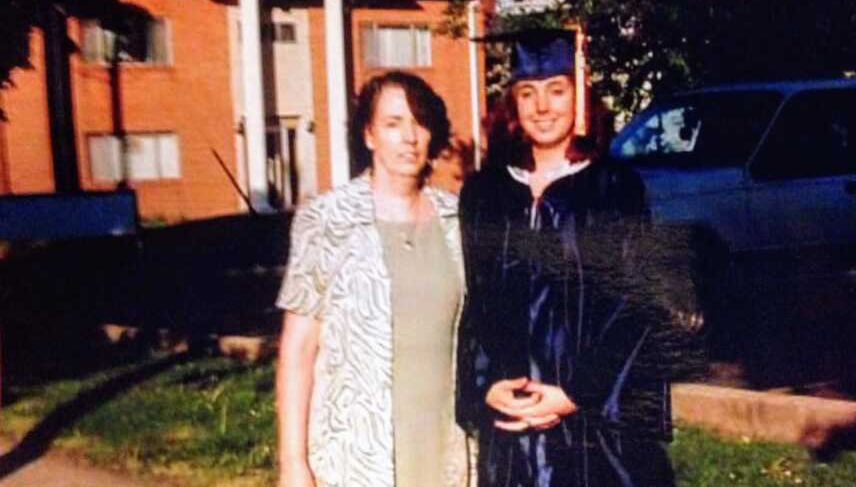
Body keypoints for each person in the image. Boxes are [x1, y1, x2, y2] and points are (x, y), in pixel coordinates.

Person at [457, 29, 701, 487]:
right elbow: (476, 302)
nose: (542, 107)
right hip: (513, 433)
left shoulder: (614, 190)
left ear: (580, 95)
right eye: (527, 93)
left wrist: (573, 394)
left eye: (556, 90)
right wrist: (486, 384)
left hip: (595, 431)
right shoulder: (484, 194)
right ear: (512, 103)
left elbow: (636, 305)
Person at [276, 71, 470, 487]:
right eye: (393, 124)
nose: (410, 137)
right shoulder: (326, 220)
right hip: (356, 457)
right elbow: (299, 347)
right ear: (369, 135)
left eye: (419, 123)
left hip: (443, 450)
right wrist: (293, 463)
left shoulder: (458, 221)